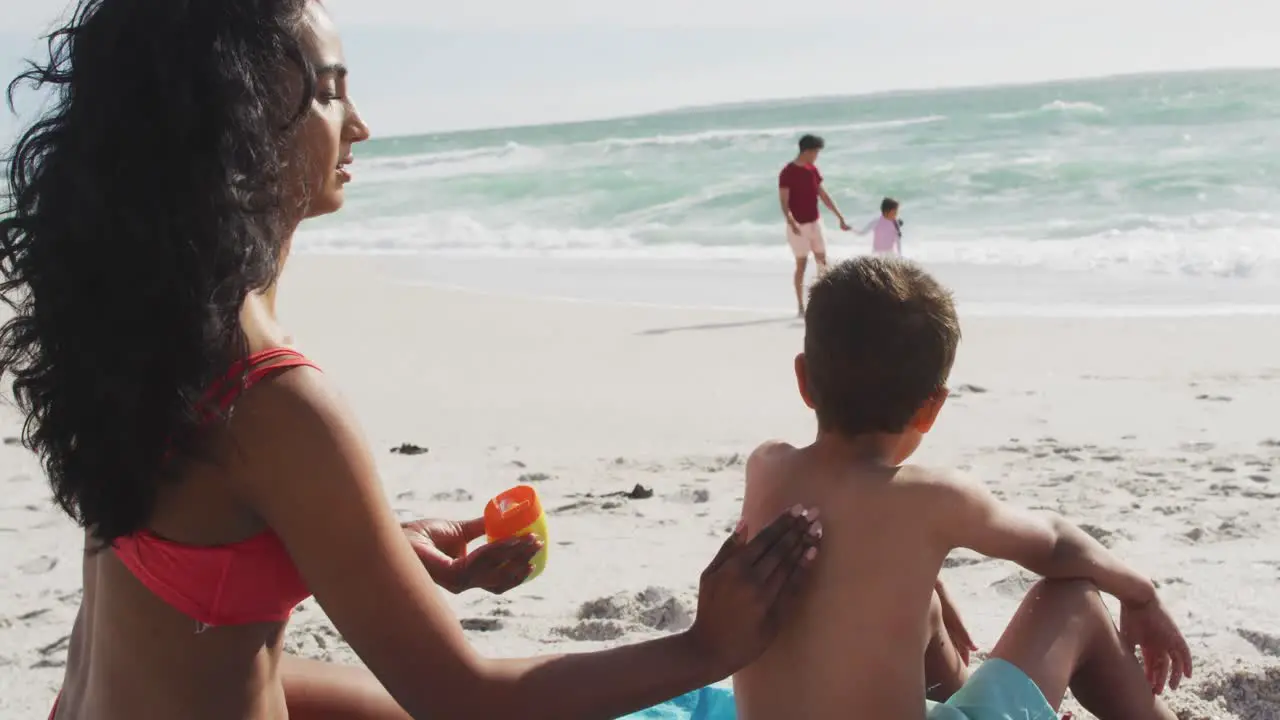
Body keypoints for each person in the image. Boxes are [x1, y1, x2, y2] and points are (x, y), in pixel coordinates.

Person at [0, 2, 823, 719]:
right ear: (234, 121)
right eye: (328, 92)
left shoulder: (151, 330)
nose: (358, 123)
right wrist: (705, 646)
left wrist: (376, 553)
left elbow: (196, 563)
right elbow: (467, 702)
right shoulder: (275, 400)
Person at [733, 257, 1193, 719]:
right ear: (931, 409)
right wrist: (1140, 595)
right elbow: (1055, 544)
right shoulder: (934, 497)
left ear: (803, 379)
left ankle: (963, 696)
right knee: (1074, 603)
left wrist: (922, 578)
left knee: (925, 603)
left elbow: (839, 557)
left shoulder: (766, 465)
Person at [778, 134, 849, 316]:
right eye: (816, 152)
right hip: (798, 227)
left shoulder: (813, 170)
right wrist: (790, 220)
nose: (817, 155)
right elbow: (784, 201)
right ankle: (801, 306)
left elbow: (823, 195)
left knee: (823, 263)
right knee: (801, 265)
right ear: (807, 151)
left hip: (815, 223)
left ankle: (823, 302)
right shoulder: (787, 172)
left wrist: (839, 216)